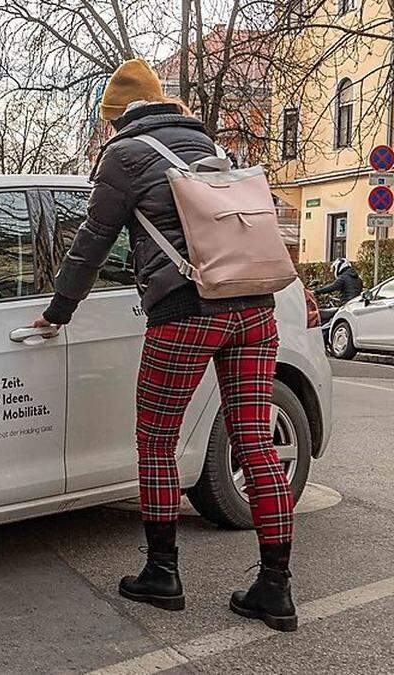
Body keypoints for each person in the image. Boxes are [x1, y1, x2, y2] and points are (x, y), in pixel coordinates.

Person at [34, 59, 298, 631]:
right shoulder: (213, 148)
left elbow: (92, 242)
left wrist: (59, 311)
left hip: (186, 311)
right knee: (254, 439)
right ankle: (275, 588)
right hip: (253, 307)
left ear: (114, 118)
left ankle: (162, 572)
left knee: (156, 439)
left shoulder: (125, 156)